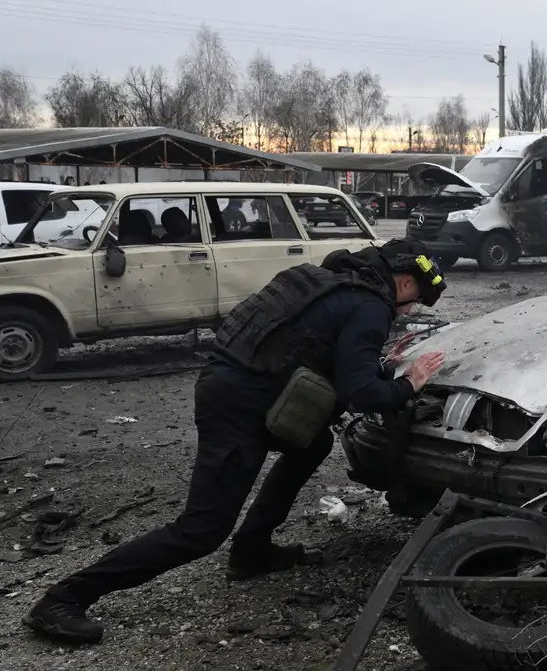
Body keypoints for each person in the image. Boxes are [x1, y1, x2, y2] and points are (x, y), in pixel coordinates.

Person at [23, 239, 449, 644]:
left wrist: (372, 366)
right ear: (406, 281)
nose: (406, 309)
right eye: (412, 300)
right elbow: (363, 394)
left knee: (312, 443)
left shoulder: (323, 279)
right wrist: (408, 383)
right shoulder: (370, 304)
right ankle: (63, 598)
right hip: (238, 409)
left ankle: (253, 551)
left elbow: (308, 348)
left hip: (235, 385)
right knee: (201, 531)